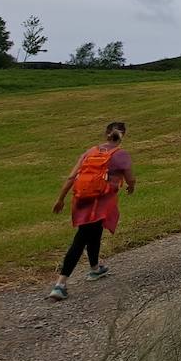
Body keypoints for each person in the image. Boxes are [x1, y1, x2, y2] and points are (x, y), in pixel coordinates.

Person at [47, 121, 136, 302]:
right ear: (123, 135)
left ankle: (95, 268)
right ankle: (60, 284)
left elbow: (73, 176)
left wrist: (60, 198)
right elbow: (130, 178)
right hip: (100, 202)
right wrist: (131, 186)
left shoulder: (90, 151)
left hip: (81, 199)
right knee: (81, 238)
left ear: (106, 134)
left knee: (93, 232)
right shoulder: (121, 155)